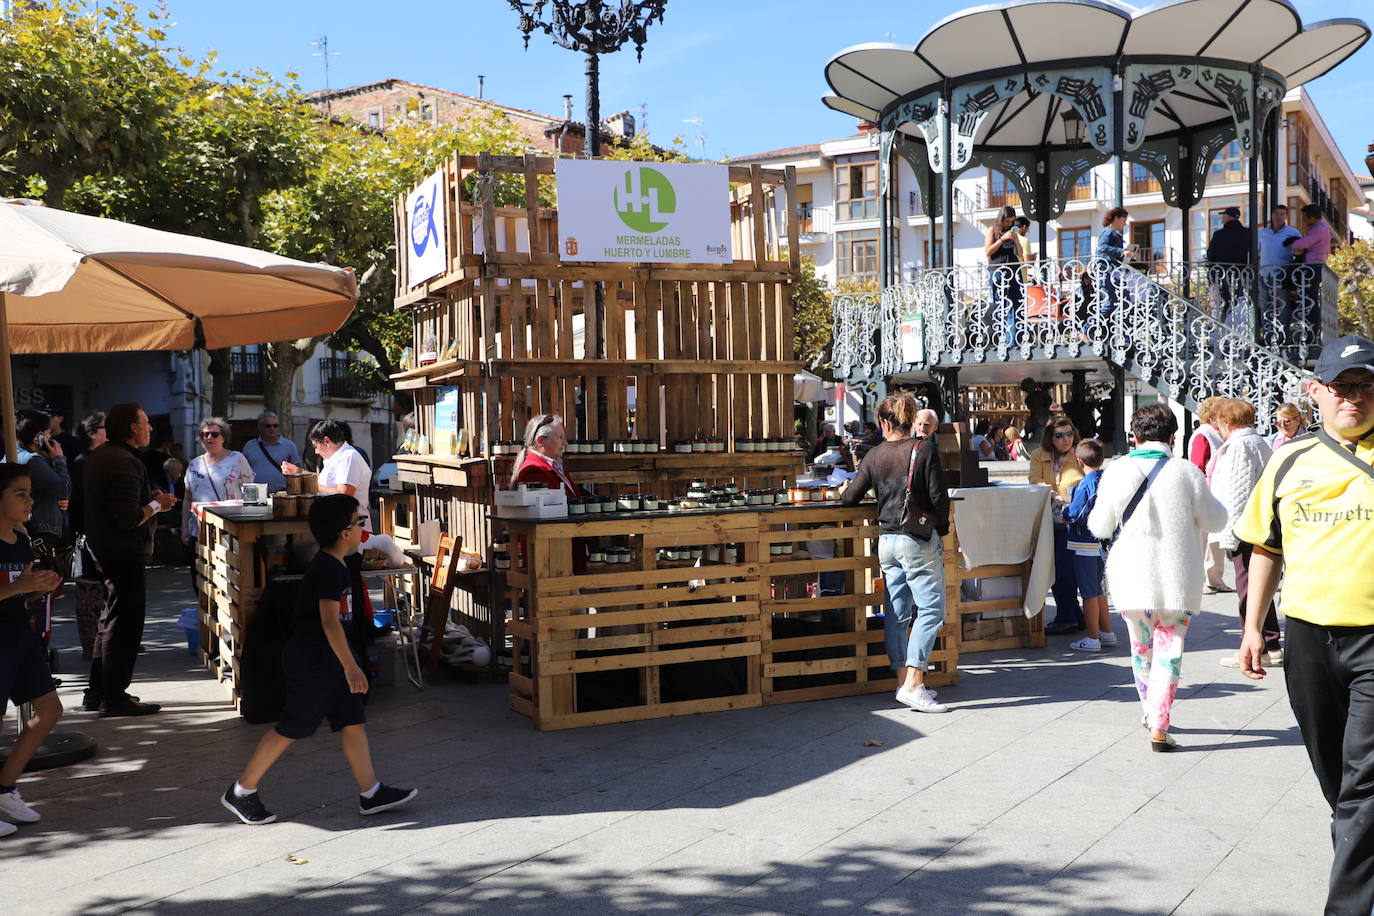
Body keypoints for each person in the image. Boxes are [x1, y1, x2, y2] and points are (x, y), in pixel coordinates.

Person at [1234, 335, 1374, 915]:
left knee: (1366, 787)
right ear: (1317, 392)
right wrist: (1251, 628)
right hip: (1308, 637)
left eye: (1365, 387)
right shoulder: (1288, 461)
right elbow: (1266, 549)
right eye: (1342, 388)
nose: (1353, 399)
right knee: (1337, 783)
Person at [221, 494, 417, 826]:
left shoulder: (338, 563)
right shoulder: (328, 569)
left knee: (353, 723)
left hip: (332, 660)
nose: (362, 530)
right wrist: (351, 666)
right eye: (360, 523)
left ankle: (370, 792)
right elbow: (329, 622)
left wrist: (347, 663)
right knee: (291, 728)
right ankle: (241, 790)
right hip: (314, 661)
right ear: (345, 533)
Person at [1088, 403, 1226, 751]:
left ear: (1134, 436)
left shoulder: (1117, 470)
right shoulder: (1186, 471)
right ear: (1173, 436)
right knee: (1170, 652)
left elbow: (1099, 526)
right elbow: (1216, 520)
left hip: (1132, 577)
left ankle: (1151, 713)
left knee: (1140, 651)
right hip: (1178, 578)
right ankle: (1159, 723)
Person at [841, 391, 950, 713]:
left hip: (886, 540)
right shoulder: (924, 448)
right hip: (915, 539)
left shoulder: (874, 455)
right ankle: (915, 683)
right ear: (908, 418)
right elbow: (938, 496)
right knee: (931, 611)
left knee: (897, 615)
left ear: (883, 421)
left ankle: (903, 683)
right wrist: (941, 530)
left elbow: (850, 498)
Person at [82, 403, 177, 717]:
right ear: (133, 428)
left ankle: (98, 692)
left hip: (106, 547)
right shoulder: (122, 460)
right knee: (124, 624)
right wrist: (158, 504)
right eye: (146, 422)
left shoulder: (105, 455)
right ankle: (114, 696)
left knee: (111, 620)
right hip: (121, 550)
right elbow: (127, 517)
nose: (151, 428)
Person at [0, 463, 65, 836]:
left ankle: (5, 786)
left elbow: (21, 589)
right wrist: (22, 585)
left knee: (49, 709)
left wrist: (41, 585)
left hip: (19, 634)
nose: (30, 500)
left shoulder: (23, 538)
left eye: (30, 493)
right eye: (20, 493)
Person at [1208, 398, 1282, 669]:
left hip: (1245, 529)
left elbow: (1237, 494)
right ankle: (1271, 644)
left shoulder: (1239, 445)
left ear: (1227, 422)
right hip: (1259, 525)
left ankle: (1253, 650)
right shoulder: (1257, 442)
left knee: (1248, 590)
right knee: (1258, 588)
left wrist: (1230, 534)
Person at [1031, 417, 1085, 634]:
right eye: (1059, 435)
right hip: (1048, 520)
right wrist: (1051, 493)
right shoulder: (1038, 455)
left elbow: (1087, 481)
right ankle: (1075, 615)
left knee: (1066, 570)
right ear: (1050, 437)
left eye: (1069, 434)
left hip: (1073, 521)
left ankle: (1067, 616)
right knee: (1055, 569)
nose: (1066, 439)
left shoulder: (1080, 454)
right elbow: (1034, 480)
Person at [1065, 439, 1115, 652]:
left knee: (1088, 592)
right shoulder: (1107, 478)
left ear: (1079, 462)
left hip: (1085, 542)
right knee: (1099, 590)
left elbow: (1076, 513)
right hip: (1101, 541)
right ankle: (1107, 632)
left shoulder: (1087, 483)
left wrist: (1063, 510)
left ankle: (1093, 638)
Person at [285, 420, 372, 531]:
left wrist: (309, 484)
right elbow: (325, 479)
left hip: (352, 530)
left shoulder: (348, 457)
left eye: (316, 446)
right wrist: (299, 472)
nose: (316, 451)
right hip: (337, 524)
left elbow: (344, 495)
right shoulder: (337, 456)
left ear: (326, 441)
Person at [182, 417, 254, 549]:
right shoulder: (194, 464)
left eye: (214, 434)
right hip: (200, 528)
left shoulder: (237, 458)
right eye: (205, 434)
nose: (209, 437)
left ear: (223, 438)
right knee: (200, 568)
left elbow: (250, 491)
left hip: (230, 527)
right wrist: (184, 527)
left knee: (229, 567)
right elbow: (187, 499)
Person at [69, 412, 106, 661]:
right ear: (92, 433)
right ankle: (91, 645)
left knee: (102, 594)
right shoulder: (85, 461)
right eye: (105, 428)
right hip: (89, 537)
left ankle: (103, 641)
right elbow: (83, 503)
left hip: (97, 535)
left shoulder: (97, 459)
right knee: (89, 596)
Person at [1187, 396, 1231, 594]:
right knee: (1203, 540)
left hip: (1217, 491)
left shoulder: (1217, 434)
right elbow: (1197, 464)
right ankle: (1204, 580)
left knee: (1215, 539)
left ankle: (1215, 578)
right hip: (1206, 492)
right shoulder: (1203, 435)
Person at [13, 409, 71, 547]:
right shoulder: (33, 461)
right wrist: (59, 459)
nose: (52, 437)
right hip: (40, 532)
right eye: (49, 432)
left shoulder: (16, 454)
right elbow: (64, 489)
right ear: (39, 437)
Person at [1258, 204, 1302, 335]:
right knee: (1264, 304)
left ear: (1286, 216)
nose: (1279, 217)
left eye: (1282, 214)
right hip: (1264, 273)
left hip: (1283, 274)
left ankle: (1283, 334)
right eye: (1277, 214)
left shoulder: (1293, 233)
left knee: (1284, 305)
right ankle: (1267, 334)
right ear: (1272, 215)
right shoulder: (1262, 233)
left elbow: (1300, 251)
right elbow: (1256, 251)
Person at [1205, 205, 1252, 325]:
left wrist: (1210, 275)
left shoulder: (1219, 235)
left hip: (1221, 276)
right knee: (1239, 305)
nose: (1222, 218)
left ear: (1229, 217)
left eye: (1224, 216)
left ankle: (1221, 335)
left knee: (1221, 305)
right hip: (1241, 276)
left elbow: (1211, 255)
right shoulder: (1247, 233)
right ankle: (1237, 334)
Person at [984, 205, 1021, 346]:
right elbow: (988, 252)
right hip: (998, 271)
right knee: (1002, 304)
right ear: (1001, 219)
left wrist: (1016, 240)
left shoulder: (1012, 232)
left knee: (1016, 303)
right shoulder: (992, 231)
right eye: (1007, 222)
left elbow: (1020, 253)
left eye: (1012, 222)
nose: (1009, 224)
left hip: (1013, 270)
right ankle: (1003, 340)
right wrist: (1001, 239)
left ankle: (1014, 339)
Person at [1093, 207, 1135, 328]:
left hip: (1113, 272)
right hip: (1107, 272)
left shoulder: (1115, 234)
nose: (1125, 223)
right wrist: (1122, 251)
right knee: (1113, 302)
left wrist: (1127, 258)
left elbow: (1115, 255)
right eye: (1123, 220)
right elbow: (1101, 248)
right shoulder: (1108, 231)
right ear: (1116, 218)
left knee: (1124, 301)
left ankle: (1127, 338)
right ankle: (1086, 328)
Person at [243, 411, 301, 495]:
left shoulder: (289, 446)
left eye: (275, 426)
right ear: (260, 427)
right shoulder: (249, 446)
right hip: (254, 493)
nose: (272, 429)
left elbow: (297, 472)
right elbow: (243, 471)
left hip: (282, 493)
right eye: (268, 426)